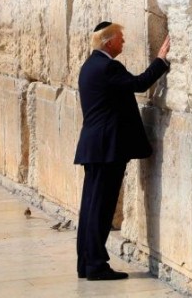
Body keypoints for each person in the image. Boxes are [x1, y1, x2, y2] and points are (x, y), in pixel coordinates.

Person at [74, 21, 170, 281]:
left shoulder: (89, 66)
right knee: (101, 208)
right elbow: (139, 84)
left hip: (94, 146)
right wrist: (161, 60)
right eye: (120, 38)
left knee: (91, 206)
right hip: (107, 149)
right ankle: (95, 266)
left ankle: (86, 262)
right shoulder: (108, 67)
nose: (123, 42)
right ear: (108, 42)